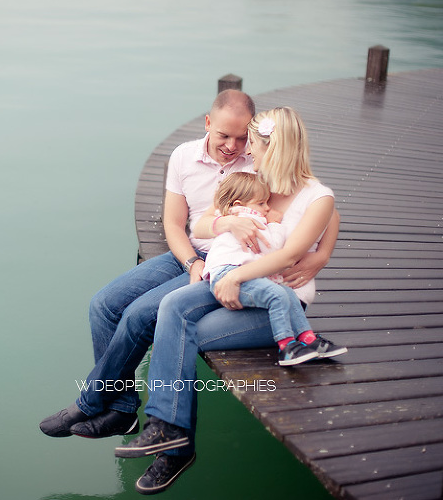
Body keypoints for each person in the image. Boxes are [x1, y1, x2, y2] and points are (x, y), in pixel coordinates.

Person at [115, 107, 344, 495]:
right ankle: (165, 427)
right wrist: (228, 222)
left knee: (189, 332)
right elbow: (203, 223)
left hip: (277, 300)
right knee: (171, 306)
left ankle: (176, 447)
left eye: (252, 143)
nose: (247, 151)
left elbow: (303, 242)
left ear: (273, 147)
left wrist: (320, 255)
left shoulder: (316, 196)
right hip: (233, 277)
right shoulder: (258, 181)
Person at [39, 89, 258, 439]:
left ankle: (90, 402)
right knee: (103, 305)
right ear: (207, 123)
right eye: (224, 135)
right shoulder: (184, 156)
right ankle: (122, 409)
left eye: (241, 137)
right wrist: (190, 261)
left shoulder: (258, 161)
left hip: (226, 262)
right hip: (187, 253)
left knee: (138, 315)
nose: (233, 146)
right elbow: (173, 224)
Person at [203, 171, 347, 366]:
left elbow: (332, 214)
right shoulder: (248, 218)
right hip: (228, 273)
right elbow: (271, 247)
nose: (267, 207)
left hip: (238, 272)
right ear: (239, 204)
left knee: (287, 293)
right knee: (277, 295)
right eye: (261, 203)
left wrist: (323, 253)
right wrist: (274, 224)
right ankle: (286, 346)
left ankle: (308, 338)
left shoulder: (240, 215)